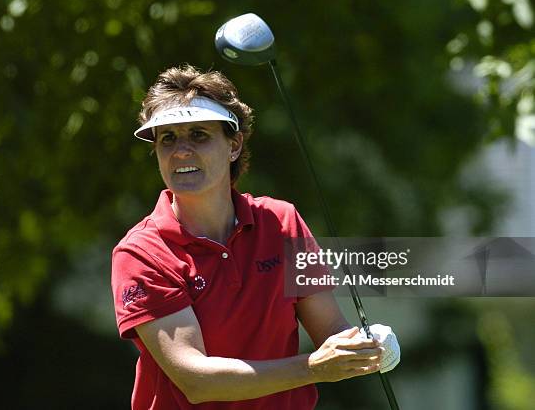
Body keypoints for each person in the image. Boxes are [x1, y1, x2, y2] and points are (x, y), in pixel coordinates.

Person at [111, 64, 386, 409]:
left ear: (234, 145)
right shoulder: (141, 252)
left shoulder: (282, 221)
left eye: (199, 134)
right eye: (168, 138)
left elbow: (329, 328)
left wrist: (365, 346)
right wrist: (313, 367)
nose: (181, 150)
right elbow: (196, 381)